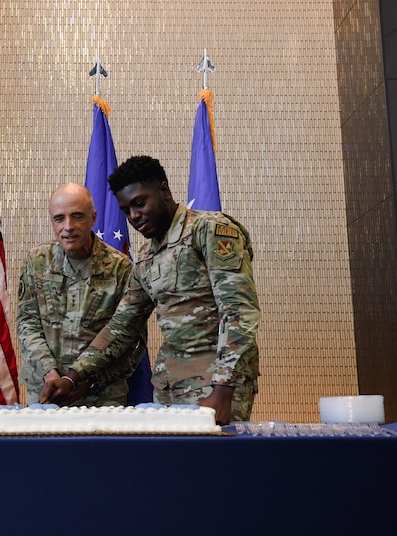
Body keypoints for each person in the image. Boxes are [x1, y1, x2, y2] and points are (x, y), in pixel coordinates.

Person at [40, 156, 260, 424]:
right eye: (126, 210)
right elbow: (122, 326)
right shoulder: (145, 257)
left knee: (213, 465)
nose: (134, 216)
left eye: (140, 203)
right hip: (169, 389)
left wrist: (224, 390)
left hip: (215, 385)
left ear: (164, 191)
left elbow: (239, 312)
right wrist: (72, 376)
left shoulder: (210, 230)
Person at [17, 182, 148, 406]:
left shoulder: (121, 268)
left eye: (77, 216)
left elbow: (132, 342)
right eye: (59, 218)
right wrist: (51, 374)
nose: (68, 226)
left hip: (102, 395)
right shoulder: (37, 261)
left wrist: (88, 382)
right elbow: (27, 324)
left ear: (93, 218)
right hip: (45, 392)